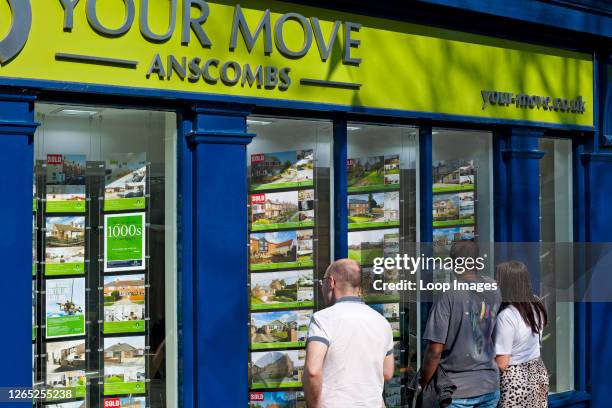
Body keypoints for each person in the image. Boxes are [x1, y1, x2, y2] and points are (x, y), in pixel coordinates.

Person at [303, 259, 394, 408]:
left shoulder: (323, 318)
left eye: (323, 282)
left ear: (331, 282)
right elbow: (387, 372)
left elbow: (313, 371)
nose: (322, 287)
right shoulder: (382, 322)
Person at [420, 241, 501, 407]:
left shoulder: (448, 295)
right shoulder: (493, 289)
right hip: (489, 386)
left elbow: (435, 351)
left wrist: (422, 382)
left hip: (456, 390)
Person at [494, 261, 549, 407]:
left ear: (506, 284)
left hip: (515, 380)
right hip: (538, 371)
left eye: (498, 279)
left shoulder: (506, 315)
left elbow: (502, 363)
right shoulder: (537, 303)